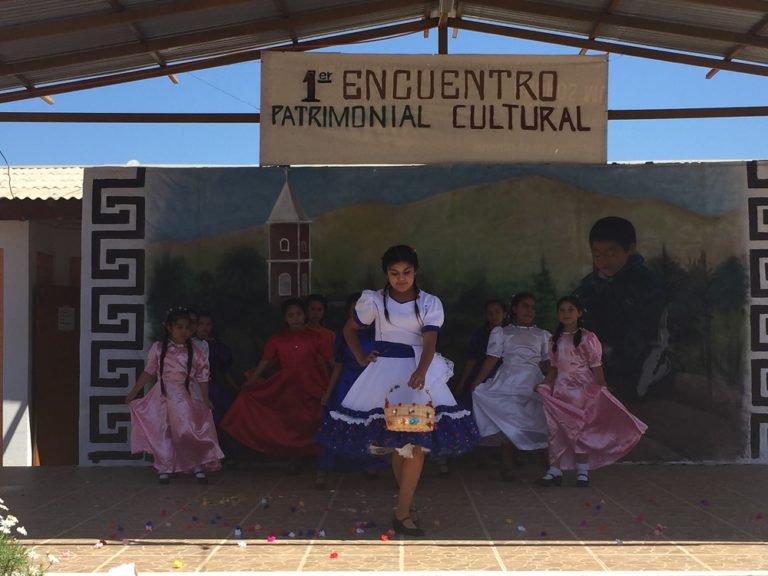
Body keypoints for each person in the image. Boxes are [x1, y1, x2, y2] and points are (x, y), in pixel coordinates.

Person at [321, 245, 479, 537]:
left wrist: (421, 371)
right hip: (385, 375)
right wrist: (360, 357)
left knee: (416, 442)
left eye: (406, 272)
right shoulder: (373, 301)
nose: (401, 278)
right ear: (386, 274)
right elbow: (348, 329)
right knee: (398, 442)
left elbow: (429, 341)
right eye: (394, 273)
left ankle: (403, 511)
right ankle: (407, 508)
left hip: (419, 374)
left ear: (415, 272)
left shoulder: (429, 302)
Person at [536, 296, 648, 488]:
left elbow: (596, 368)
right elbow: (554, 368)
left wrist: (602, 389)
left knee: (580, 429)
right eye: (562, 310)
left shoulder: (588, 338)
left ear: (579, 313)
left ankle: (582, 470)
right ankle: (554, 470)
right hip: (560, 391)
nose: (566, 313)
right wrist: (544, 384)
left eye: (571, 310)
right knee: (556, 429)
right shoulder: (554, 340)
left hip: (581, 390)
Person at [220, 298, 333, 467]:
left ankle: (316, 456)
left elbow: (331, 361)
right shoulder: (277, 339)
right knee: (291, 420)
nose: (295, 318)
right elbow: (265, 362)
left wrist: (338, 381)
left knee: (314, 418)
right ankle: (293, 458)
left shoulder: (316, 337)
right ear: (285, 318)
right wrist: (251, 382)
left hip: (312, 383)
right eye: (291, 315)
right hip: (287, 385)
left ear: (304, 315)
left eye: (298, 314)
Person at [574, 216, 670, 402]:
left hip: (641, 351)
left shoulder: (648, 284)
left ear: (630, 249)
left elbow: (647, 332)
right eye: (597, 254)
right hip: (601, 355)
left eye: (611, 253)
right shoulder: (588, 286)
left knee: (634, 393)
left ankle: (656, 371)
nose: (603, 261)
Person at [125, 306, 223, 484]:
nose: (184, 331)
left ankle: (196, 464)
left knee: (187, 430)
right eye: (179, 327)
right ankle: (165, 466)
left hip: (185, 396)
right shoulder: (158, 348)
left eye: (187, 328)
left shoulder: (197, 352)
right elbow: (149, 371)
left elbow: (202, 377)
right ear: (169, 328)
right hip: (162, 395)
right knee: (164, 431)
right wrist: (134, 391)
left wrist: (205, 398)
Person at [470, 292, 550, 480]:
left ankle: (549, 464)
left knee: (539, 419)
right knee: (510, 420)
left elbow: (547, 363)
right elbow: (492, 358)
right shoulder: (502, 332)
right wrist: (477, 382)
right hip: (509, 381)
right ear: (514, 309)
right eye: (524, 306)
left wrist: (553, 381)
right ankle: (506, 466)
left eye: (532, 307)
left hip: (533, 382)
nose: (529, 311)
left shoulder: (542, 335)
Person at [315, 292, 381, 489]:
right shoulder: (343, 335)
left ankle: (370, 465)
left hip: (371, 385)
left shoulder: (379, 334)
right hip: (346, 383)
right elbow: (339, 364)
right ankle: (324, 469)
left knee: (370, 426)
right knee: (336, 425)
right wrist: (329, 391)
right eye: (355, 311)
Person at [195, 310, 241, 460]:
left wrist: (236, 387)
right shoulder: (189, 345)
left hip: (212, 387)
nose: (204, 328)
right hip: (192, 387)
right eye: (201, 324)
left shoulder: (218, 348)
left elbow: (225, 371)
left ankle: (223, 456)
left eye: (208, 324)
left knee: (219, 419)